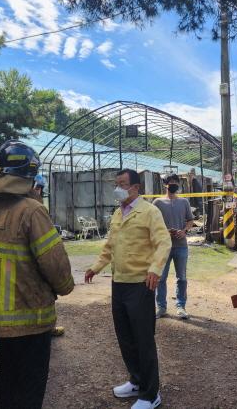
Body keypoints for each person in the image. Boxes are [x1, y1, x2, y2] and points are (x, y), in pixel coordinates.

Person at [0, 140, 74, 409]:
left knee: (9, 388)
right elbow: (55, 264)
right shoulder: (31, 211)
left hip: (0, 319)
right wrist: (66, 286)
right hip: (31, 317)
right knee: (29, 392)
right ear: (29, 175)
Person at [84, 169, 171, 409]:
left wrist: (155, 269)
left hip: (140, 284)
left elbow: (163, 242)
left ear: (136, 188)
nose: (118, 188)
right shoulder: (118, 213)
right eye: (116, 183)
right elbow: (110, 245)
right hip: (119, 282)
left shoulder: (150, 212)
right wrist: (96, 267)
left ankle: (151, 393)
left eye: (122, 184)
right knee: (125, 336)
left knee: (143, 339)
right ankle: (136, 380)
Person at [29, 173, 66, 337]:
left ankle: (48, 327)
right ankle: (42, 329)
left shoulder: (36, 205)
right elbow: (49, 256)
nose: (40, 192)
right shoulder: (32, 209)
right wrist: (64, 284)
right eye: (39, 188)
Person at [153, 174, 194, 319]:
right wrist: (164, 232)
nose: (173, 184)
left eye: (176, 182)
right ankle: (161, 307)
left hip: (181, 246)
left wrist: (184, 231)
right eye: (171, 182)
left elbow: (190, 220)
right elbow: (152, 223)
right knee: (160, 278)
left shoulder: (184, 202)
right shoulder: (157, 203)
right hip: (163, 247)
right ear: (165, 184)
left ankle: (181, 307)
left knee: (181, 277)